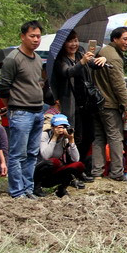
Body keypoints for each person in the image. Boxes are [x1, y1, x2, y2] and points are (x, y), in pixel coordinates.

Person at [0, 21, 46, 200]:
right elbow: (2, 86)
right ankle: (17, 191)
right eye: (32, 36)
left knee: (32, 153)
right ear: (22, 36)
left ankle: (28, 188)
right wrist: (9, 106)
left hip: (37, 111)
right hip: (20, 111)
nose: (35, 40)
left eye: (38, 36)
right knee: (18, 153)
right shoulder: (13, 58)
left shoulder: (38, 58)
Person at [50, 31, 102, 182]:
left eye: (75, 40)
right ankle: (72, 172)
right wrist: (83, 62)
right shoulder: (60, 60)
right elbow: (68, 72)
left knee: (89, 136)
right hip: (71, 104)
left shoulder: (81, 53)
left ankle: (81, 168)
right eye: (69, 41)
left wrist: (101, 59)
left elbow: (94, 65)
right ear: (63, 44)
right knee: (74, 138)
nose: (73, 44)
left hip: (87, 103)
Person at [93, 26, 127, 182]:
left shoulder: (102, 53)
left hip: (97, 102)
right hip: (109, 104)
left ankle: (97, 171)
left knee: (98, 137)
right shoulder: (114, 57)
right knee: (115, 137)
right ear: (115, 39)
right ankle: (117, 172)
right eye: (124, 39)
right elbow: (119, 85)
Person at [35, 114, 86, 197]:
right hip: (40, 171)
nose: (62, 130)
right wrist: (54, 137)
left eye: (64, 127)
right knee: (54, 162)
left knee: (78, 165)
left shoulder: (65, 139)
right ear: (52, 127)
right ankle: (36, 187)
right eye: (59, 127)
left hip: (53, 173)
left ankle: (61, 189)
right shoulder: (44, 135)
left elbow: (76, 159)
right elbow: (46, 156)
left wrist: (71, 140)